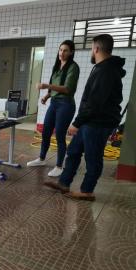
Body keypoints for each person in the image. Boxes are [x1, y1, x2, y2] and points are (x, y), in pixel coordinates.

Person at [45, 34, 126, 200]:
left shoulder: (106, 70)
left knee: (93, 157)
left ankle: (87, 191)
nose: (91, 51)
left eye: (91, 48)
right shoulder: (102, 67)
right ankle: (64, 183)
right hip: (90, 121)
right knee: (74, 151)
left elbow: (95, 102)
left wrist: (77, 122)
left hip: (98, 122)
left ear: (96, 48)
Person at [27, 40, 80, 177]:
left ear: (71, 52)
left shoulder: (73, 67)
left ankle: (59, 166)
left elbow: (67, 89)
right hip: (54, 103)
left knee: (60, 135)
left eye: (65, 50)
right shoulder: (56, 66)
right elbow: (54, 85)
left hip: (66, 105)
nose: (62, 53)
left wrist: (46, 86)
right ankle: (41, 159)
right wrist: (47, 96)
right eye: (60, 50)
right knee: (46, 132)